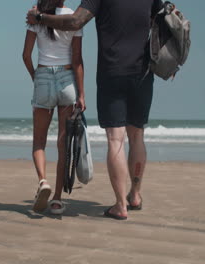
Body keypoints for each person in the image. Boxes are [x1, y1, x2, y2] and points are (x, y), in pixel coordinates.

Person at [27, 0, 163, 220]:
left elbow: (76, 20)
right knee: (137, 135)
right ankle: (135, 195)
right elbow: (165, 17)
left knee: (116, 140)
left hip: (113, 71)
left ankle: (120, 205)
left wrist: (40, 18)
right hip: (143, 72)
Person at [23, 0, 86, 215]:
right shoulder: (74, 17)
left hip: (43, 75)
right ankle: (57, 200)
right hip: (67, 79)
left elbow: (25, 54)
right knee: (62, 144)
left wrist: (36, 76)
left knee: (39, 142)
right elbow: (77, 58)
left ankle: (43, 181)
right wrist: (82, 93)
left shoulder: (36, 17)